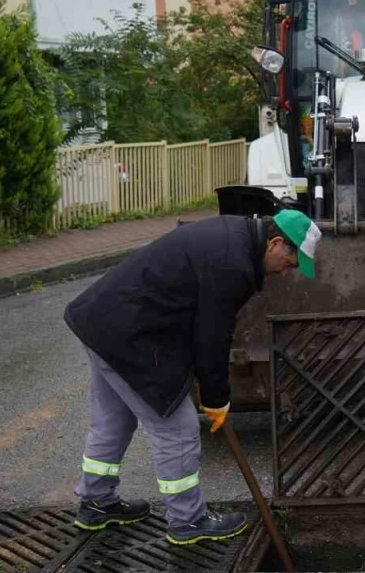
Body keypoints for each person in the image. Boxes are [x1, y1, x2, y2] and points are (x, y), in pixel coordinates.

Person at [65, 210, 321, 544]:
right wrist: (216, 398)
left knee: (114, 419)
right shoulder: (234, 265)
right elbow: (211, 336)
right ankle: (187, 521)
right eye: (291, 261)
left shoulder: (235, 234)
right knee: (178, 428)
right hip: (129, 333)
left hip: (99, 319)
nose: (289, 271)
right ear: (275, 243)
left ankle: (96, 502)